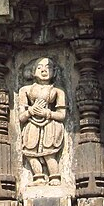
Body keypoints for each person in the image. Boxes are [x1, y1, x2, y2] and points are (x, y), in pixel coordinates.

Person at [16, 57, 67, 185]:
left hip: (50, 125)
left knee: (49, 154)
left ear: (54, 72)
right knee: (29, 152)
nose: (44, 70)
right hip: (31, 124)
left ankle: (55, 176)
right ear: (33, 72)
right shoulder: (25, 90)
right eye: (39, 67)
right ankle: (38, 177)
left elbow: (62, 115)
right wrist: (30, 111)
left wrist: (47, 113)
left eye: (48, 67)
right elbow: (21, 117)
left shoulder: (58, 91)